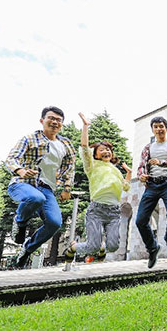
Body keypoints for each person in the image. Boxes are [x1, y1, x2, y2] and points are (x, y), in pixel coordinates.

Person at [4, 106, 76, 269]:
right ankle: (19, 221)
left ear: (62, 124)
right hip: (23, 184)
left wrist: (67, 188)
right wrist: (21, 170)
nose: (55, 122)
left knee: (54, 223)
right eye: (51, 118)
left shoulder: (65, 144)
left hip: (47, 189)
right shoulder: (30, 138)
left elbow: (70, 167)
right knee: (35, 198)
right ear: (42, 120)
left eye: (59, 120)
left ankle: (26, 250)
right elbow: (11, 158)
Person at [64, 112, 132, 263]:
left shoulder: (115, 170)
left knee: (113, 246)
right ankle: (74, 247)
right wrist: (85, 127)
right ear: (95, 154)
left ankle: (101, 246)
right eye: (102, 149)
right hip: (96, 209)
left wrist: (128, 173)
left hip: (114, 211)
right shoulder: (92, 166)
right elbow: (84, 148)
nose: (106, 151)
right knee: (92, 247)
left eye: (108, 149)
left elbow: (126, 187)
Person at [135, 116, 167, 269]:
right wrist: (141, 176)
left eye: (161, 126)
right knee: (140, 221)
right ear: (153, 130)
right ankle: (152, 248)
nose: (159, 129)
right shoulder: (148, 148)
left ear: (166, 128)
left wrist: (161, 162)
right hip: (152, 185)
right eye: (156, 126)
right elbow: (141, 166)